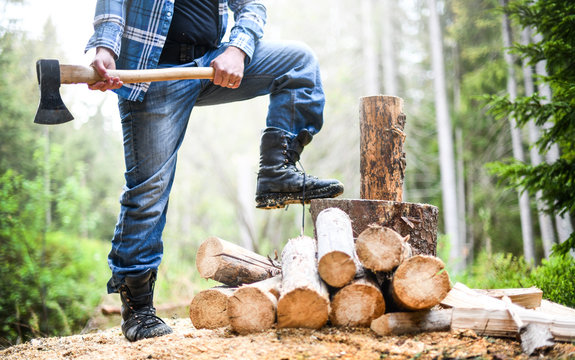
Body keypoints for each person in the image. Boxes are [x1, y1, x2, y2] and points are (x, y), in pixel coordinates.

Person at [85, 0, 344, 342]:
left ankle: (276, 173)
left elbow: (252, 6)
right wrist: (105, 47)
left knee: (298, 62)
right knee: (148, 193)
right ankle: (138, 310)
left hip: (210, 63)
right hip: (151, 75)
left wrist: (238, 46)